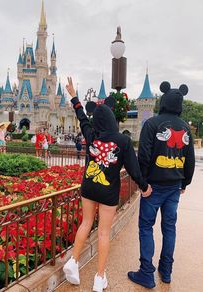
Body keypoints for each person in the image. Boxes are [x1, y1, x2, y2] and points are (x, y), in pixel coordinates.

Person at [63, 77, 152, 291]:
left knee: (85, 223)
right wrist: (144, 186)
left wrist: (74, 96)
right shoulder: (123, 141)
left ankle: (73, 263)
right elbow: (133, 168)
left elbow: (82, 116)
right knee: (103, 232)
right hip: (108, 192)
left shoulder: (91, 135)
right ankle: (99, 278)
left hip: (89, 187)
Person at [128, 81, 195, 289]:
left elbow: (144, 156)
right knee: (169, 228)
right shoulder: (185, 128)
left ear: (163, 101)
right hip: (174, 187)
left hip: (153, 188)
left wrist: (143, 183)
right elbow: (190, 159)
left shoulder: (152, 124)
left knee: (146, 227)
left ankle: (146, 273)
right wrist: (185, 182)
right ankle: (166, 271)